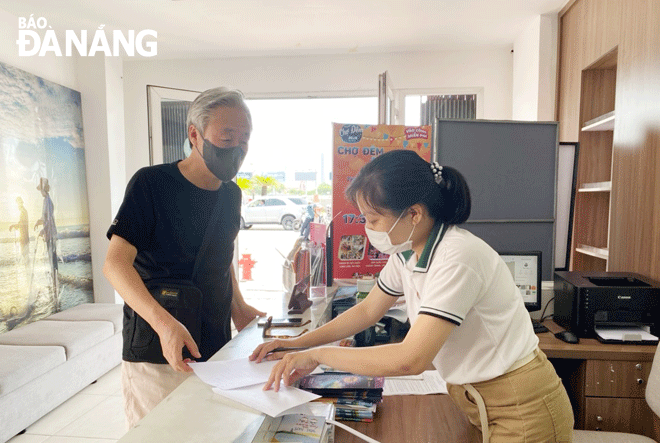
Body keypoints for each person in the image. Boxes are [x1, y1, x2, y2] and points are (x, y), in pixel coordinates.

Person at [251, 150, 574, 443]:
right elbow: (366, 311)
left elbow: (411, 359)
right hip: (474, 399)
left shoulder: (458, 256)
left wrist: (320, 356)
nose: (367, 228)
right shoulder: (407, 254)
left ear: (414, 214)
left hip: (521, 405)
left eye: (373, 219)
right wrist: (298, 344)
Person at [104, 87, 266, 428]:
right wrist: (164, 326)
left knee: (212, 432)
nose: (237, 148)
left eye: (245, 138)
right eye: (227, 136)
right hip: (157, 353)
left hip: (215, 348)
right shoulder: (152, 184)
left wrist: (239, 307)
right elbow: (115, 264)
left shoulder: (231, 195)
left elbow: (223, 257)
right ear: (195, 134)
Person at [34, 178, 58, 290]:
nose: (40, 192)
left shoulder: (47, 201)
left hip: (51, 235)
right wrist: (38, 222)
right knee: (51, 258)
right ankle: (54, 281)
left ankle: (54, 282)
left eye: (41, 190)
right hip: (49, 234)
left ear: (44, 189)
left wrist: (43, 230)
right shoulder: (46, 200)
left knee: (52, 258)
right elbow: (44, 218)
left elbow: (48, 220)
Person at [9, 196, 30, 263]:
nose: (17, 206)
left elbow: (22, 224)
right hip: (23, 236)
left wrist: (14, 225)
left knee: (25, 255)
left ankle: (28, 272)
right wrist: (16, 226)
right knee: (25, 255)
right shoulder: (23, 211)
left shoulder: (23, 211)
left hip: (24, 237)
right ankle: (27, 272)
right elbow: (22, 223)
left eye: (17, 204)